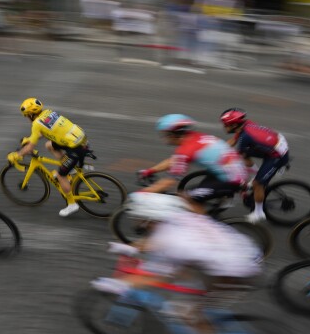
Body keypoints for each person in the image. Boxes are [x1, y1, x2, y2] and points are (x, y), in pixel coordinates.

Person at [92, 192, 262, 334]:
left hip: (234, 272)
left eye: (138, 217)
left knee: (191, 316)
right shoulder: (180, 217)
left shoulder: (171, 241)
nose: (136, 221)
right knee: (192, 289)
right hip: (241, 256)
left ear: (149, 219)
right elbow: (153, 242)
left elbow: (161, 278)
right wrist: (130, 248)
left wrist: (119, 284)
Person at [138, 114, 248, 216]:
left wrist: (143, 193)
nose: (164, 137)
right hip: (228, 171)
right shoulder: (196, 138)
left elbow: (170, 181)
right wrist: (151, 170)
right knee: (193, 196)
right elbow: (175, 160)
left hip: (231, 179)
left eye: (165, 134)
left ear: (173, 134)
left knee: (186, 198)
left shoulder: (187, 149)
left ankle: (208, 229)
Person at [8, 98, 90, 217]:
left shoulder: (36, 124)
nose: (27, 118)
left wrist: (17, 155)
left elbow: (30, 148)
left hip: (76, 148)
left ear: (31, 114)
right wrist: (31, 138)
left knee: (61, 176)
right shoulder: (49, 112)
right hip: (80, 139)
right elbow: (45, 131)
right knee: (49, 145)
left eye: (26, 116)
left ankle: (72, 204)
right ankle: (70, 168)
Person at [220, 108, 289, 223]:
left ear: (234, 125)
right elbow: (233, 140)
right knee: (245, 154)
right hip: (275, 145)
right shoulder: (245, 124)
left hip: (277, 156)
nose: (224, 127)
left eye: (226, 125)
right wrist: (217, 149)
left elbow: (236, 155)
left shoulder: (245, 137)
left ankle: (258, 213)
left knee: (258, 184)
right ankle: (259, 173)